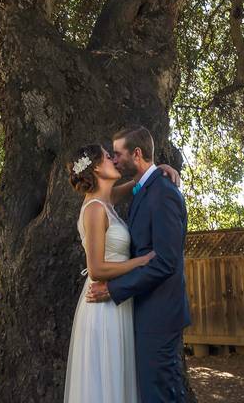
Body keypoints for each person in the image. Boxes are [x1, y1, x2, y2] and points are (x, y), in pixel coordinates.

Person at [63, 141, 181, 403]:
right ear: (95, 167)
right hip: (102, 305)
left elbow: (138, 186)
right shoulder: (94, 209)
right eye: (108, 157)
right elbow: (96, 269)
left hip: (120, 303)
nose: (114, 161)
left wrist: (157, 169)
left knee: (120, 377)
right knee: (105, 381)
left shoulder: (107, 200)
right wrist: (139, 262)